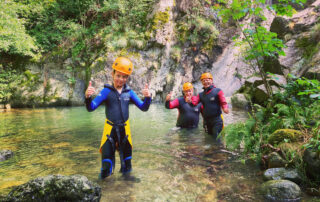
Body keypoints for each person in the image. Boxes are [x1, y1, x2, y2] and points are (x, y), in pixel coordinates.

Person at [85, 57, 151, 179]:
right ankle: (104, 191)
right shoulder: (106, 91)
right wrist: (88, 97)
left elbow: (144, 108)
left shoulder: (129, 92)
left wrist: (148, 98)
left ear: (127, 78)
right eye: (118, 75)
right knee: (106, 166)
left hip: (125, 131)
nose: (121, 79)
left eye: (124, 77)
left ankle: (126, 190)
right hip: (109, 131)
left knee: (127, 165)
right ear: (113, 73)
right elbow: (91, 108)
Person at [198, 72, 229, 140]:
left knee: (216, 138)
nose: (205, 82)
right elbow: (194, 102)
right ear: (202, 82)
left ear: (211, 80)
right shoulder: (200, 95)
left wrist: (225, 108)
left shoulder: (218, 91)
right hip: (206, 121)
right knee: (208, 139)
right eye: (203, 80)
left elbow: (223, 102)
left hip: (217, 120)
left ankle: (218, 150)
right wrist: (189, 100)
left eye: (207, 80)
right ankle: (210, 150)